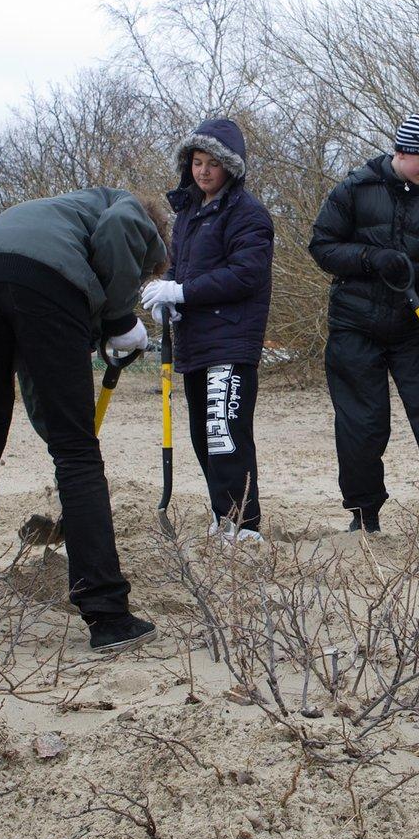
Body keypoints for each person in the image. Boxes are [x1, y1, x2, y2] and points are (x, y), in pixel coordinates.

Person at [0, 186, 164, 653]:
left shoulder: (59, 217)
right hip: (38, 282)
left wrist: (59, 429)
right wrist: (119, 319)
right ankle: (107, 614)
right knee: (78, 450)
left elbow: (37, 378)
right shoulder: (133, 211)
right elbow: (121, 232)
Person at [306, 113, 419, 533]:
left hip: (412, 331)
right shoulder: (354, 189)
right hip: (354, 326)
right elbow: (322, 246)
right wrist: (370, 258)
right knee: (363, 424)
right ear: (401, 150)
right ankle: (364, 516)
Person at [141, 118, 274, 542]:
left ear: (230, 168)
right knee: (203, 435)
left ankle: (244, 524)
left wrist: (181, 291)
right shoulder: (188, 215)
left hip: (231, 342)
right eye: (197, 162)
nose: (203, 171)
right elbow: (178, 269)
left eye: (212, 164)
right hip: (195, 342)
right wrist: (167, 302)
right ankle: (223, 516)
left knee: (226, 434)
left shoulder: (248, 214)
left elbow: (245, 275)